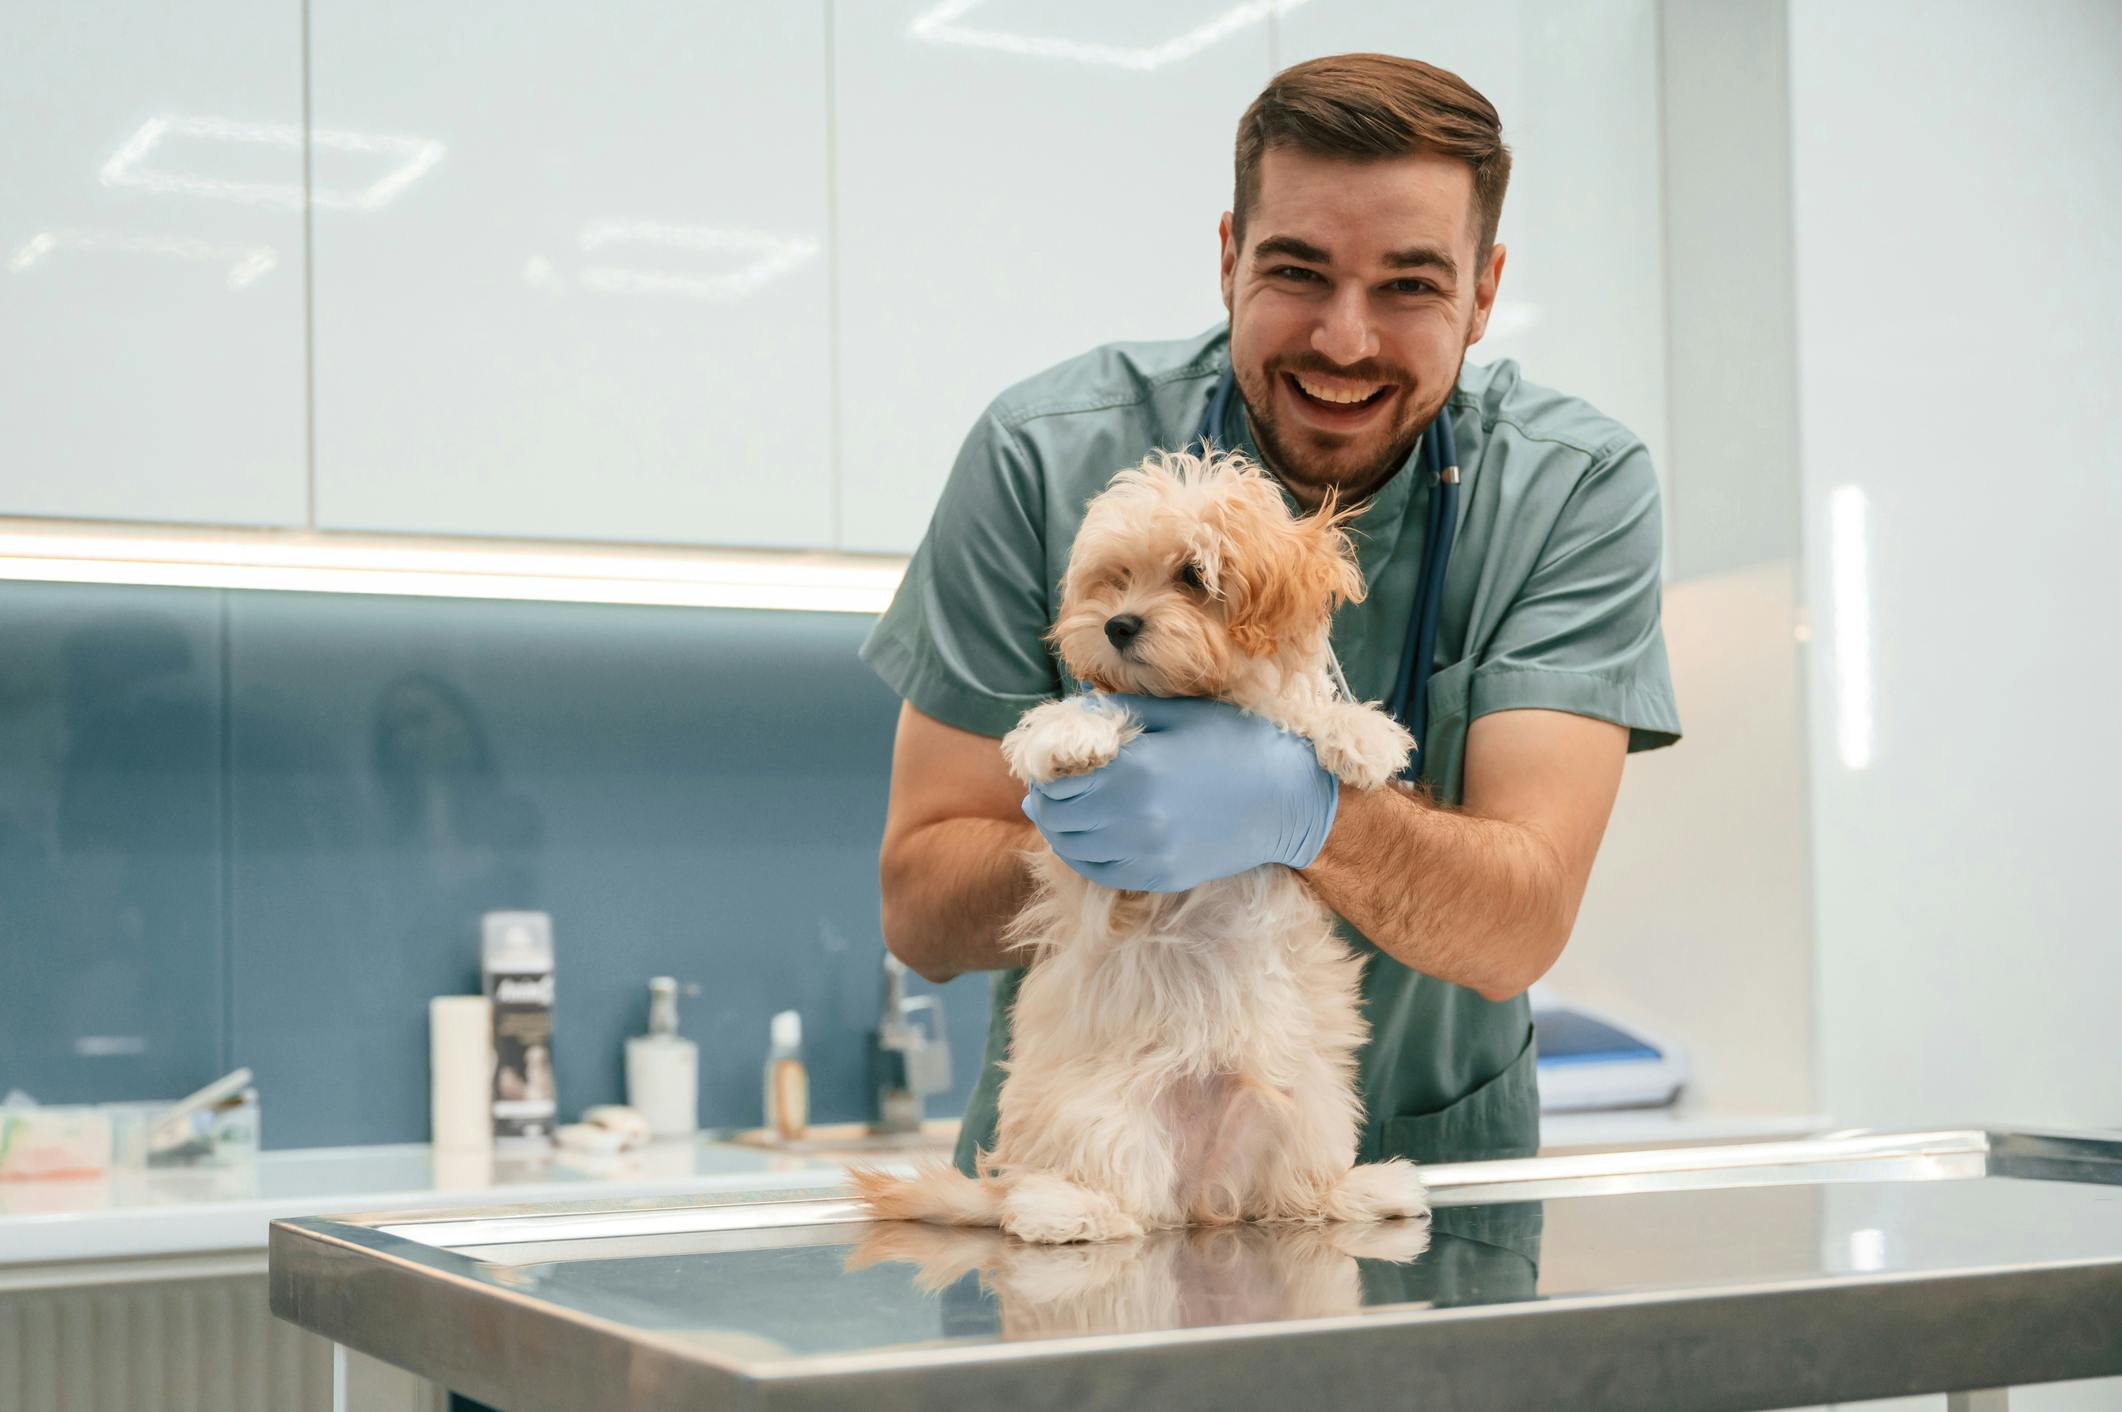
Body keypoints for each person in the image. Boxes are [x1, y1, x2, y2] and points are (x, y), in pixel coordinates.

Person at [861, 52, 1682, 1176]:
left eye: (1408, 285)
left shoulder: (1569, 490)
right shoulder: (1041, 456)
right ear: (1227, 258)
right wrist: (1087, 835)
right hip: (1095, 1172)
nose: (1344, 341)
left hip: (1415, 1195)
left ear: (1484, 291)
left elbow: (1516, 928)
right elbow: (920, 906)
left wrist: (1308, 813)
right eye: (1297, 270)